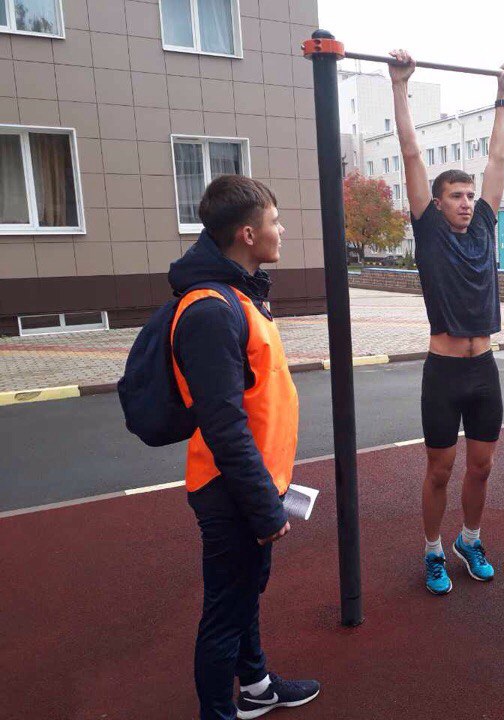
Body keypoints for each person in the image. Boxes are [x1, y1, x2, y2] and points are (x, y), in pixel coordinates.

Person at [168, 175, 320, 718]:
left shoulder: (240, 295)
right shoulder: (211, 310)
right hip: (230, 490)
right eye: (275, 221)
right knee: (225, 613)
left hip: (252, 484)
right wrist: (262, 506)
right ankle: (219, 711)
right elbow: (225, 427)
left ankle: (255, 688)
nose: (283, 230)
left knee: (243, 596)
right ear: (248, 234)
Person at [389, 49, 504, 595]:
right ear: (436, 204)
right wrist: (400, 86)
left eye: (469, 195)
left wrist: (503, 95)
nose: (466, 202)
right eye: (456, 196)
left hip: (483, 368)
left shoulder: (484, 225)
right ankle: (433, 549)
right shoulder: (430, 232)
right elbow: (411, 153)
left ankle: (470, 538)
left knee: (482, 466)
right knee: (440, 469)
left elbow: (498, 159)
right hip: (443, 372)